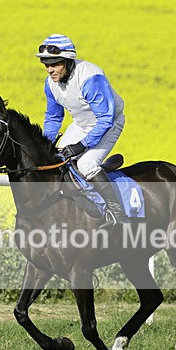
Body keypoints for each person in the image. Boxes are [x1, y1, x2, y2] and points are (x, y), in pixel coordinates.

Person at [36, 34, 128, 228]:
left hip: (108, 122)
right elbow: (53, 117)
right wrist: (45, 145)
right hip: (81, 123)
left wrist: (82, 145)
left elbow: (105, 119)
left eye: (55, 64)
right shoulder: (50, 83)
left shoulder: (90, 78)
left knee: (86, 164)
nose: (50, 69)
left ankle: (116, 212)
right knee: (56, 159)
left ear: (68, 61)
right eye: (46, 64)